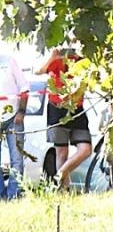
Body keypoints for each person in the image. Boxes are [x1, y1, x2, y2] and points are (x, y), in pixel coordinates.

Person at [38, 47, 93, 190]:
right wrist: (52, 57)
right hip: (57, 108)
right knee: (61, 152)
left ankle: (61, 173)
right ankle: (63, 191)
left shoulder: (82, 59)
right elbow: (38, 71)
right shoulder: (56, 58)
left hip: (77, 108)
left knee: (85, 149)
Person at [0, 50, 27, 199]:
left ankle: (14, 195)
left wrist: (21, 111)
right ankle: (1, 195)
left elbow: (24, 87)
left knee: (16, 159)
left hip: (13, 118)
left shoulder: (9, 60)